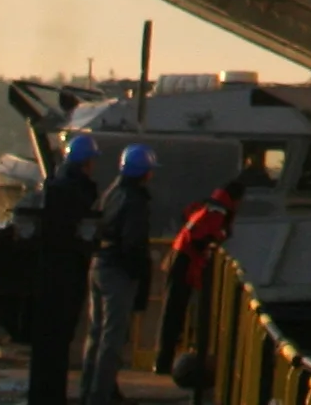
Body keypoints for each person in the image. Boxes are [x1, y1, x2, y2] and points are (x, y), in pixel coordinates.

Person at [25, 134, 98, 405]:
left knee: (49, 343)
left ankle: (46, 396)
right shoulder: (73, 191)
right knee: (56, 340)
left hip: (54, 272)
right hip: (63, 274)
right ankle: (50, 397)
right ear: (86, 162)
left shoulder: (58, 186)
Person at [78, 145, 152, 405]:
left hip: (99, 264)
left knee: (96, 334)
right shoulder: (135, 200)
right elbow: (133, 243)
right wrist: (138, 275)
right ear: (145, 173)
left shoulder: (112, 191)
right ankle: (100, 396)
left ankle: (88, 390)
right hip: (118, 271)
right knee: (112, 338)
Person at [153, 174, 242, 376]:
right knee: (174, 312)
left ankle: (164, 360)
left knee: (174, 312)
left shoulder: (212, 205)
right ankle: (163, 362)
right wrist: (212, 241)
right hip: (184, 261)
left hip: (182, 259)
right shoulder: (217, 210)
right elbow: (198, 238)